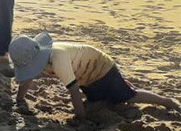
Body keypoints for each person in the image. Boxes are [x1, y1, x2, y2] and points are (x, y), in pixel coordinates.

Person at [10, 33, 180, 118]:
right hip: (85, 77)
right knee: (99, 102)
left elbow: (74, 91)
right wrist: (19, 99)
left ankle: (167, 101)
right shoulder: (39, 58)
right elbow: (26, 79)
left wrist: (80, 119)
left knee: (128, 96)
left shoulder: (58, 59)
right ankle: (118, 86)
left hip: (101, 68)